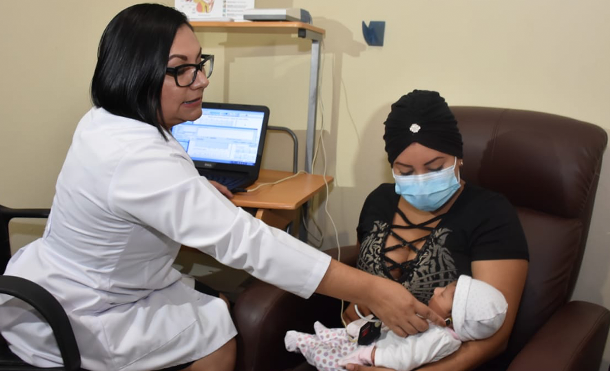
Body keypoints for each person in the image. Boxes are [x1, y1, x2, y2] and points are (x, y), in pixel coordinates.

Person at [0, 6, 445, 371]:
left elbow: (146, 187)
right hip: (88, 311)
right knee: (218, 330)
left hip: (57, 281)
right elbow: (250, 243)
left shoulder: (107, 120)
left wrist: (191, 188)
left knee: (204, 297)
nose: (201, 80)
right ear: (136, 73)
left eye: (200, 63)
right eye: (181, 71)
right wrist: (371, 289)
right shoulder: (138, 157)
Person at [341, 90, 529, 371]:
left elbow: (496, 335)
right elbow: (359, 291)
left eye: (435, 167)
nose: (420, 180)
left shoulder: (491, 214)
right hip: (363, 351)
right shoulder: (378, 202)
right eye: (405, 171)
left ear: (458, 157)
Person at [285, 275, 508, 371]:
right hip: (376, 343)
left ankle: (306, 344)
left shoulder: (441, 340)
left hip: (374, 362)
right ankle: (324, 336)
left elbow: (406, 358)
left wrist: (371, 357)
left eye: (443, 295)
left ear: (451, 319)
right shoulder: (438, 325)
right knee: (346, 336)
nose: (437, 290)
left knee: (332, 361)